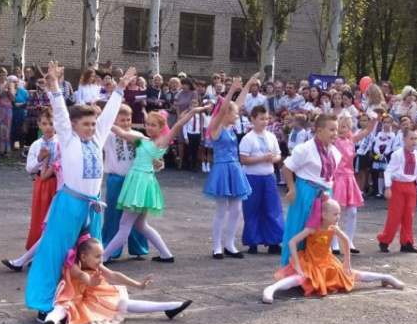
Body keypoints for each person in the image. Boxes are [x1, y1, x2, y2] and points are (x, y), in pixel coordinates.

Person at [25, 62, 135, 319]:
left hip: (93, 206)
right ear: (74, 126)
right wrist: (53, 87)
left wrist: (120, 87)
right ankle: (44, 304)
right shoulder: (68, 138)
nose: (91, 128)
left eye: (92, 124)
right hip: (69, 204)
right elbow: (61, 114)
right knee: (56, 252)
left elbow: (107, 117)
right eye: (86, 124)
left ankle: (84, 298)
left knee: (91, 257)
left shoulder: (97, 138)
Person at [103, 105, 207, 263]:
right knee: (141, 225)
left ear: (161, 128)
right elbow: (121, 132)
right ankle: (166, 254)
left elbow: (178, 125)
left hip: (139, 184)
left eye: (153, 125)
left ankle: (103, 256)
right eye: (148, 124)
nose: (149, 128)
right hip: (141, 183)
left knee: (124, 225)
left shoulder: (160, 142)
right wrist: (103, 119)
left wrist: (192, 112)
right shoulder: (142, 140)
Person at [40, 234, 193, 324]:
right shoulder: (73, 266)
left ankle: (170, 307)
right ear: (84, 256)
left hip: (92, 296)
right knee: (62, 309)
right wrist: (93, 281)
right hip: (72, 296)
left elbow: (114, 275)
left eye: (101, 255)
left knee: (123, 303)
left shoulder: (96, 264)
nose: (101, 259)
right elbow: (83, 277)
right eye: (97, 256)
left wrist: (138, 285)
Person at [262, 199, 404, 304]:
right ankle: (271, 289)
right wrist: (298, 266)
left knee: (352, 274)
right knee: (299, 279)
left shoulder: (333, 228)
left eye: (339, 214)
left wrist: (347, 262)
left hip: (327, 262)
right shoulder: (313, 228)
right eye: (335, 214)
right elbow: (292, 242)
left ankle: (386, 277)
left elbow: (346, 240)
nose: (339, 217)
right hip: (311, 263)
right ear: (323, 214)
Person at [204, 74, 260, 259]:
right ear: (227, 112)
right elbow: (222, 110)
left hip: (234, 169)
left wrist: (248, 84)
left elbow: (239, 103)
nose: (239, 114)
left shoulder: (230, 127)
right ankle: (217, 246)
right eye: (235, 112)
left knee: (236, 209)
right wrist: (231, 91)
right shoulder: (216, 126)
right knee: (221, 209)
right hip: (222, 169)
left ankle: (230, 244)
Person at [280, 113, 341, 267]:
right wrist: (291, 188)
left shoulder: (335, 152)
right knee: (299, 228)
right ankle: (292, 268)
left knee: (321, 232)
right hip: (306, 191)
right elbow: (287, 167)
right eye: (331, 129)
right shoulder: (305, 148)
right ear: (319, 131)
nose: (335, 133)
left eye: (336, 130)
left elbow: (330, 177)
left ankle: (315, 268)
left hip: (325, 195)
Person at [100, 104, 155, 261]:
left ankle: (138, 248)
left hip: (134, 180)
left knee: (135, 216)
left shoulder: (136, 134)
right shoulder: (109, 136)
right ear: (115, 120)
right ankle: (110, 249)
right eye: (122, 120)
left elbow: (147, 147)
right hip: (116, 179)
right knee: (113, 214)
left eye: (128, 119)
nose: (125, 123)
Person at [239, 105, 284, 255]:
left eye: (266, 118)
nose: (264, 122)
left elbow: (278, 155)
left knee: (272, 209)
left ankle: (273, 242)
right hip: (252, 177)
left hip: (269, 176)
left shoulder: (271, 136)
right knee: (252, 209)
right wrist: (262, 158)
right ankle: (253, 242)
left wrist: (273, 158)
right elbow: (244, 160)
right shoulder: (248, 138)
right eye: (261, 119)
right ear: (253, 119)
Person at [330, 115, 376, 254]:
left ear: (349, 128)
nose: (340, 130)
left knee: (353, 212)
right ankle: (334, 243)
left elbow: (368, 130)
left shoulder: (351, 140)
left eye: (343, 127)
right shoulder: (334, 141)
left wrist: (374, 118)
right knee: (334, 212)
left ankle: (349, 241)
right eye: (338, 127)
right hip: (337, 178)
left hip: (349, 178)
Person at [377, 128, 417, 253]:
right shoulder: (397, 154)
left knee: (409, 215)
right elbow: (389, 171)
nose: (413, 141)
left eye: (415, 138)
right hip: (398, 185)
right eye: (411, 138)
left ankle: (407, 242)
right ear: (404, 139)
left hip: (410, 186)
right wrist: (388, 187)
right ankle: (384, 240)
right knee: (395, 215)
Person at [22, 107, 59, 251]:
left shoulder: (61, 142)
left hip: (58, 182)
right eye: (44, 124)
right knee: (40, 216)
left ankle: (53, 250)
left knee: (56, 217)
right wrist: (39, 158)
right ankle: (36, 251)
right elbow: (29, 169)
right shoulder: (36, 145)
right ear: (39, 124)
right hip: (42, 184)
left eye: (51, 123)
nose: (48, 127)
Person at [0, 68, 15, 155]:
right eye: (1, 75)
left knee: (7, 128)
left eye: (4, 75)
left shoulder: (10, 84)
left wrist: (9, 89)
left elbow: (12, 98)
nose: (3, 77)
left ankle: (6, 149)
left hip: (7, 108)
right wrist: (3, 88)